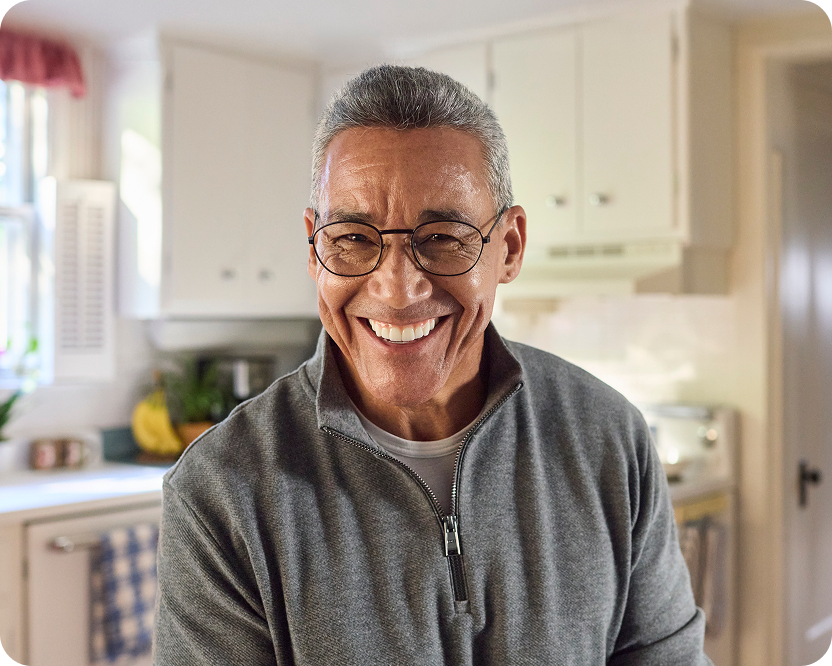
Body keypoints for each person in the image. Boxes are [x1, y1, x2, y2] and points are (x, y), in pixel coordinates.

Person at [154, 65, 711, 665]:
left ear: (510, 247)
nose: (396, 288)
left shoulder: (609, 439)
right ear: (314, 249)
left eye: (443, 237)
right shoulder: (221, 492)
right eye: (354, 238)